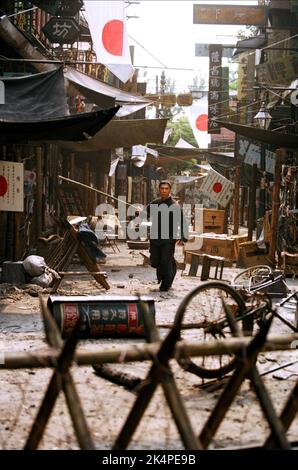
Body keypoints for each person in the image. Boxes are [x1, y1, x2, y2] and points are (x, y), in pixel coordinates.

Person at [146, 180, 189, 292]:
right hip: (155, 238)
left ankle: (166, 284)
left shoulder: (174, 205)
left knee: (165, 262)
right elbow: (145, 214)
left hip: (168, 239)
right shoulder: (155, 203)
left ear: (169, 190)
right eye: (162, 188)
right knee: (155, 262)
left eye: (166, 188)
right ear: (159, 190)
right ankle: (171, 263)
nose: (164, 190)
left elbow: (182, 221)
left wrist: (183, 236)